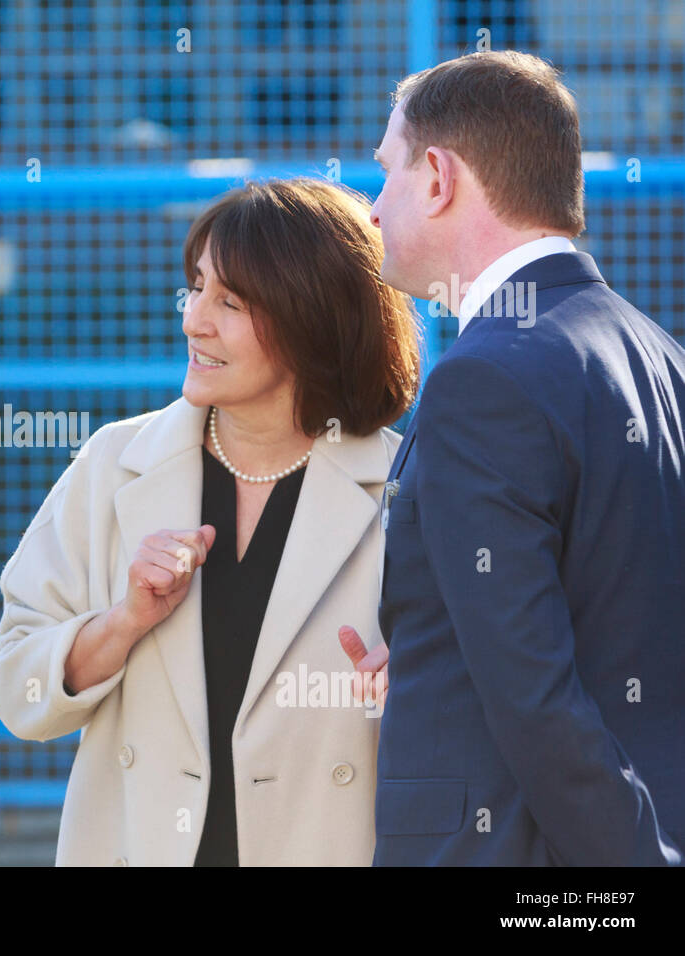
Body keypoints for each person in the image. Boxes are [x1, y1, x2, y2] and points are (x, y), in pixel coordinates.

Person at [0, 178, 421, 865]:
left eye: (231, 301)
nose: (194, 319)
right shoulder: (113, 464)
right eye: (196, 288)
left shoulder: (408, 488)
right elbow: (17, 688)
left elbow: (478, 711)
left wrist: (418, 687)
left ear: (313, 316)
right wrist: (123, 621)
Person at [354, 50, 684, 865]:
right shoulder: (660, 356)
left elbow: (532, 693)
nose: (370, 209)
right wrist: (440, 636)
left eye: (387, 174)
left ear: (438, 177)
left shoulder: (483, 375)